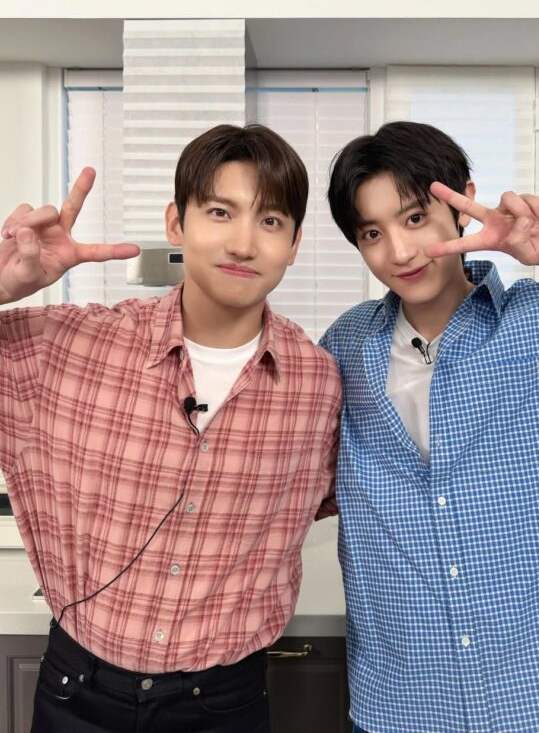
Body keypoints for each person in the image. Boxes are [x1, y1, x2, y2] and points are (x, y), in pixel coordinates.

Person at [0, 123, 341, 733]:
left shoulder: (320, 383)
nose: (243, 243)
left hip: (225, 701)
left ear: (293, 245)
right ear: (176, 223)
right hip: (79, 691)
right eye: (220, 212)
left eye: (270, 221)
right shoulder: (68, 345)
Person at [321, 120, 539, 733]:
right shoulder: (348, 346)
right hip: (406, 701)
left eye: (415, 218)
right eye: (372, 233)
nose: (400, 252)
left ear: (462, 201)